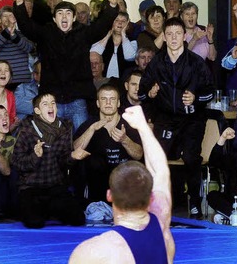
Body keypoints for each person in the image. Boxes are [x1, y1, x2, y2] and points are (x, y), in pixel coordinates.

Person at [69, 105, 174, 264]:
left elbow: (161, 171)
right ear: (151, 197)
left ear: (109, 195)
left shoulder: (94, 252)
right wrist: (143, 127)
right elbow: (160, 170)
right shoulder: (162, 228)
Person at [138, 17, 215, 219]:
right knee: (156, 158)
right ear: (164, 36)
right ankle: (155, 203)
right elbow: (141, 93)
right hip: (165, 119)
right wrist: (151, 93)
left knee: (191, 158)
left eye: (177, 33)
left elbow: (210, 92)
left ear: (184, 36)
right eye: (169, 34)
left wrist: (196, 98)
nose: (173, 38)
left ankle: (195, 204)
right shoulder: (156, 62)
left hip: (192, 120)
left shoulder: (196, 63)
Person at [14, 0, 120, 131]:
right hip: (52, 101)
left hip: (78, 100)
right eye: (60, 13)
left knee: (82, 140)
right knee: (51, 142)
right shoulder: (46, 33)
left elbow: (102, 26)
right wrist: (20, 3)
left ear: (74, 17)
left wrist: (112, 7)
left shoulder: (84, 33)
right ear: (54, 18)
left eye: (68, 13)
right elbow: (26, 26)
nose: (64, 16)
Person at [11, 93, 88, 229]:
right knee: (34, 222)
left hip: (55, 186)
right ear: (37, 111)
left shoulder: (65, 127)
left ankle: (50, 210)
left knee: (78, 219)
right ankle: (42, 211)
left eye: (53, 103)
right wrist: (35, 156)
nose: (51, 106)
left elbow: (63, 161)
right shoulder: (26, 129)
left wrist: (72, 156)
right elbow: (17, 162)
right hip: (32, 187)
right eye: (45, 104)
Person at [73, 84, 143, 202]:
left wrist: (125, 140)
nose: (108, 103)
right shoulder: (89, 124)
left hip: (123, 184)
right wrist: (91, 130)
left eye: (112, 99)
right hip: (97, 187)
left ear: (118, 103)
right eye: (104, 99)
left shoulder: (129, 124)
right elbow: (75, 151)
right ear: (98, 103)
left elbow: (139, 154)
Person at [0, 6, 35, 86]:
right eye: (5, 16)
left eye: (11, 16)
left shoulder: (23, 35)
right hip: (3, 82)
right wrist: (8, 29)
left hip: (22, 82)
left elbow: (29, 48)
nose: (8, 18)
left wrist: (13, 35)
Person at [90, 12, 137, 79]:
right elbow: (94, 53)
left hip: (123, 81)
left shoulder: (132, 41)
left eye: (123, 21)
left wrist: (123, 34)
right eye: (116, 20)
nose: (120, 23)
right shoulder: (103, 39)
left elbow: (129, 57)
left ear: (127, 25)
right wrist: (108, 35)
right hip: (103, 80)